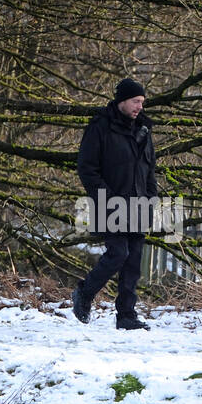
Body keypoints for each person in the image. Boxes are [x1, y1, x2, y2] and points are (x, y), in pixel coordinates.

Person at [72, 77, 158, 330]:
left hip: (140, 204)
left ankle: (126, 315)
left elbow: (150, 169)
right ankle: (85, 293)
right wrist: (107, 198)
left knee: (133, 262)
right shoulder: (100, 126)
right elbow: (87, 169)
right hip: (109, 203)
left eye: (142, 102)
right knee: (118, 254)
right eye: (135, 101)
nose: (139, 106)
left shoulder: (144, 130)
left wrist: (152, 196)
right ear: (122, 101)